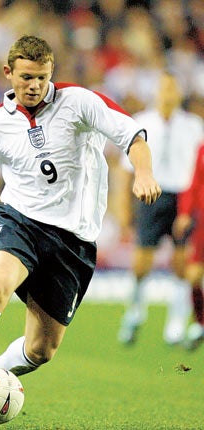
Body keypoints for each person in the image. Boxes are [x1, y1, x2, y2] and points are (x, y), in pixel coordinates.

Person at [0, 35, 161, 428]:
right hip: (20, 222)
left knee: (42, 350)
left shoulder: (80, 102)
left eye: (42, 77)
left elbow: (133, 135)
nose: (34, 85)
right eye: (26, 77)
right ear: (8, 73)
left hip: (74, 241)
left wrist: (143, 172)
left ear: (51, 73)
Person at [117, 72, 204, 345]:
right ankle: (134, 312)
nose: (167, 95)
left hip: (183, 197)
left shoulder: (193, 126)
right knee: (142, 262)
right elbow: (125, 170)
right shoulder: (142, 123)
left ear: (178, 94)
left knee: (182, 262)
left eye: (172, 90)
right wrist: (122, 208)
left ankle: (175, 322)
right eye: (163, 89)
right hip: (151, 194)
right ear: (156, 93)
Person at [173, 142, 204, 350]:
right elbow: (193, 183)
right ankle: (200, 322)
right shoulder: (201, 149)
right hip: (202, 222)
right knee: (193, 275)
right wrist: (184, 212)